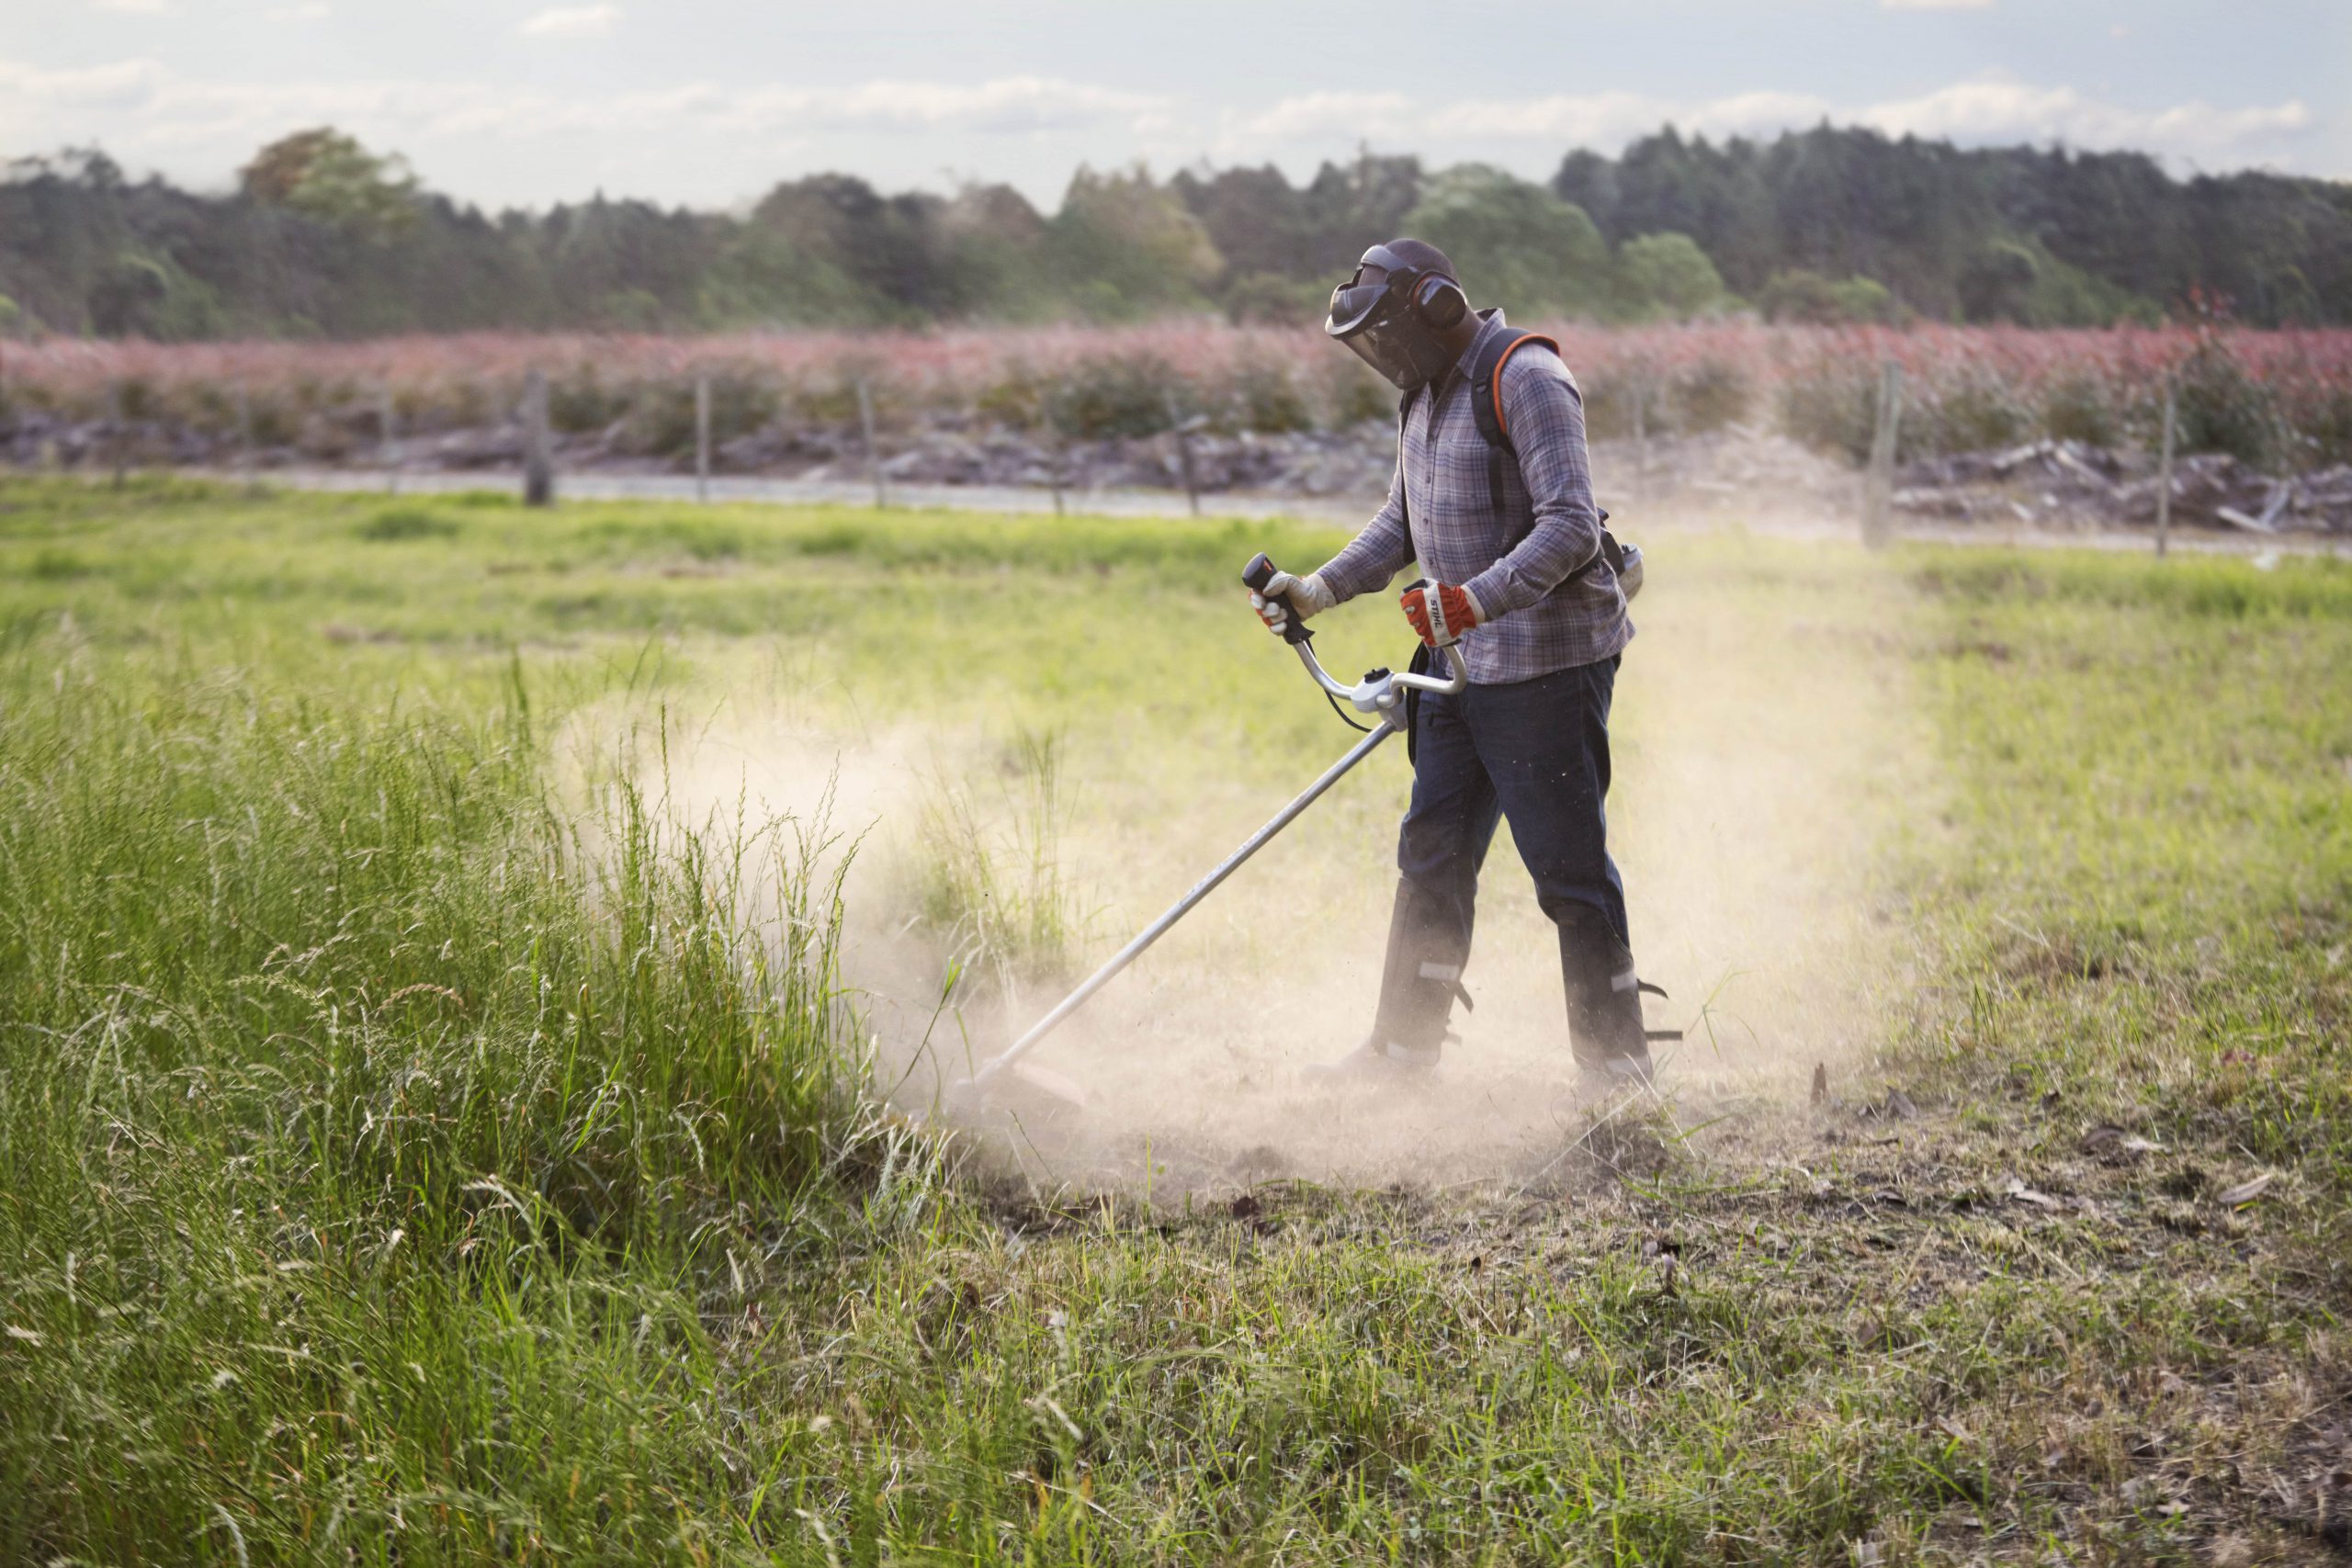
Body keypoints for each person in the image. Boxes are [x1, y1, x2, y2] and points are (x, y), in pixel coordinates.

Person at [1249, 238, 1656, 1091]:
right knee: (1430, 857)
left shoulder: (1525, 379)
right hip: (1455, 670)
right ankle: (1400, 1054)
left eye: (1387, 336)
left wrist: (1475, 597)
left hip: (1545, 667)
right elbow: (1404, 526)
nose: (1382, 358)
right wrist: (1316, 590)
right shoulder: (1424, 394)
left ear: (1436, 308)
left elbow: (1573, 525)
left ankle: (1619, 1073)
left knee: (1567, 870)